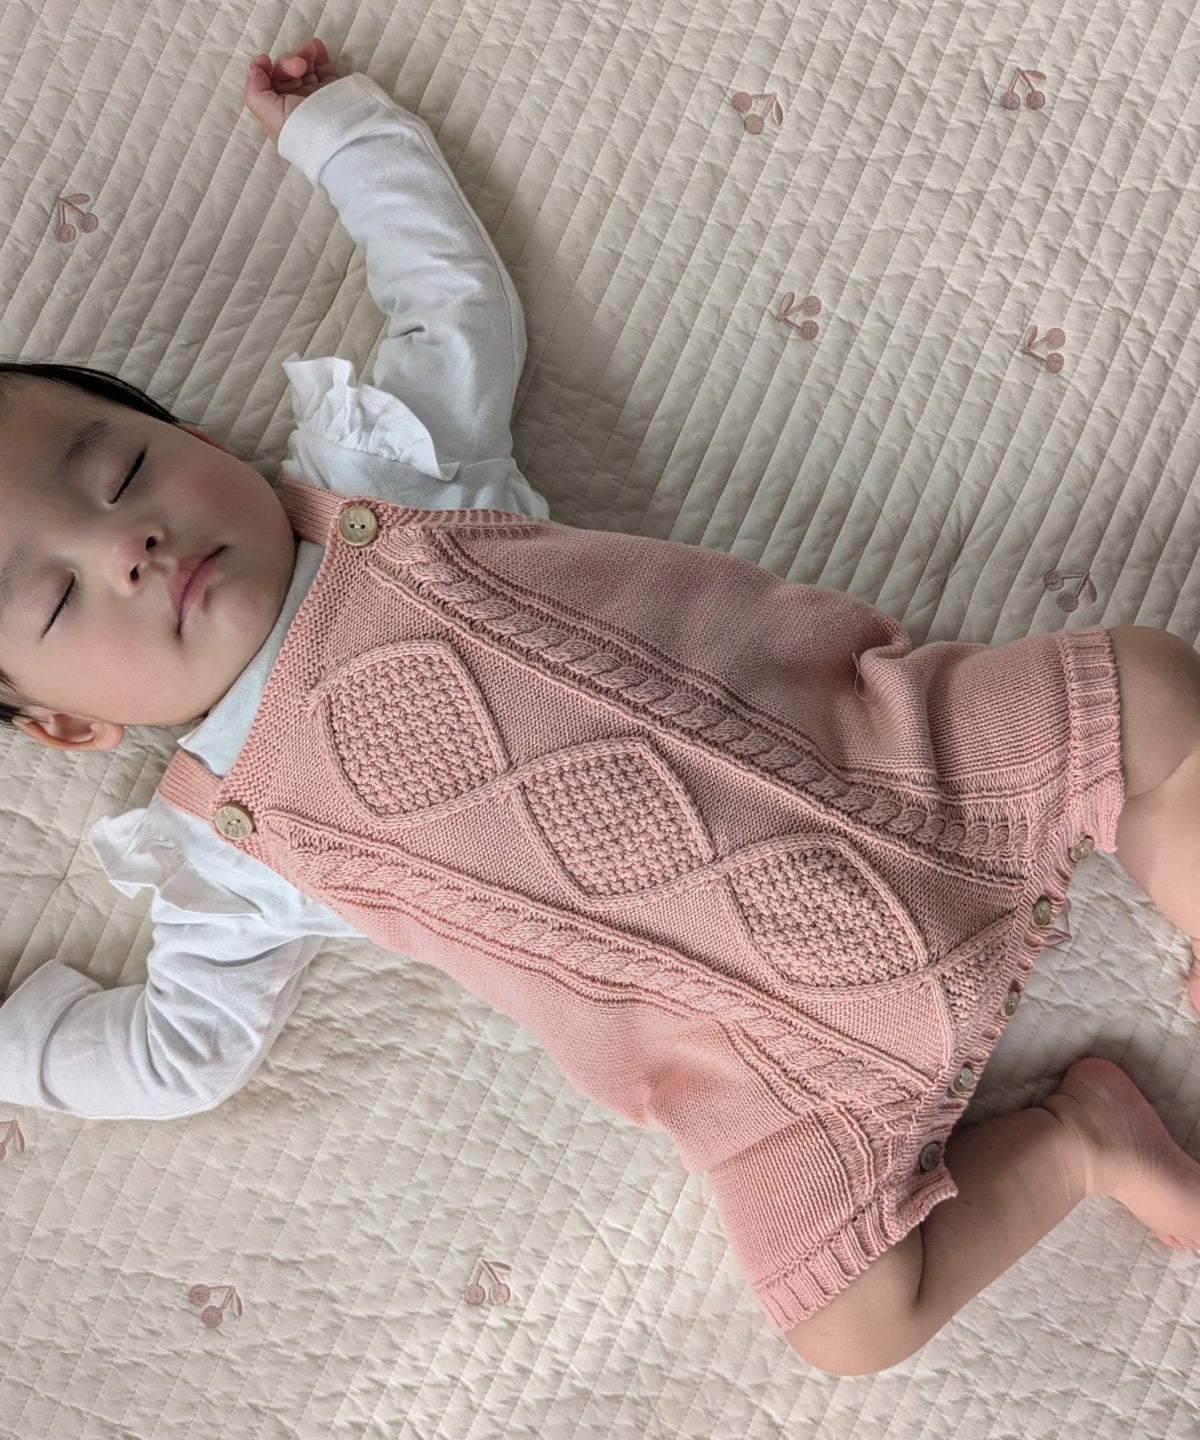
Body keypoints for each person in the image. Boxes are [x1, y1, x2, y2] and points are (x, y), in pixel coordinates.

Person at [0, 37, 1198, 1378]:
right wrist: (17, 1046)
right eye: (54, 600)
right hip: (760, 1069)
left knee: (1152, 691)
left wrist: (344, 135)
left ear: (200, 440)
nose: (126, 547)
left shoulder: (387, 472)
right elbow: (181, 1052)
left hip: (898, 756)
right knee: (850, 1326)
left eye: (120, 470)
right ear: (70, 727)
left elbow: (451, 299)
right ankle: (1077, 1144)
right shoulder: (221, 856)